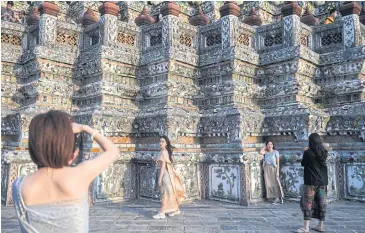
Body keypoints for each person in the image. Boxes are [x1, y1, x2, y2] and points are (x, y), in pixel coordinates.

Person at [12, 110, 119, 233]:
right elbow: (113, 151)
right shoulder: (79, 175)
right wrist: (86, 128)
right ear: (70, 151)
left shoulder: (19, 186)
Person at [296, 133, 328, 233]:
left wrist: (304, 151)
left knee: (307, 203)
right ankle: (320, 226)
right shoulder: (324, 152)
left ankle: (306, 228)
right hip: (322, 182)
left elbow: (303, 163)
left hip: (311, 182)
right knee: (322, 203)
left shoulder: (308, 153)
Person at [153, 135, 184, 219]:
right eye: (160, 141)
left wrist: (159, 179)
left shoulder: (163, 152)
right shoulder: (165, 151)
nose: (160, 143)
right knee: (170, 194)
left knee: (164, 194)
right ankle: (175, 209)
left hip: (164, 175)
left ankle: (162, 212)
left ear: (166, 143)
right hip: (168, 175)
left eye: (162, 141)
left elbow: (163, 167)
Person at [259, 140, 284, 205]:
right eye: (268, 144)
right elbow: (261, 152)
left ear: (273, 145)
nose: (270, 146)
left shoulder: (276, 152)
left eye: (271, 144)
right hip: (266, 168)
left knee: (275, 183)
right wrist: (265, 147)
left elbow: (278, 163)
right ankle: (273, 197)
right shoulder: (266, 152)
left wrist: (277, 171)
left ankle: (279, 197)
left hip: (273, 168)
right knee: (268, 183)